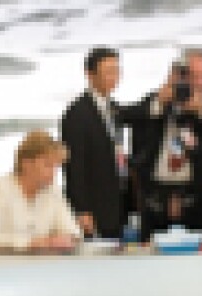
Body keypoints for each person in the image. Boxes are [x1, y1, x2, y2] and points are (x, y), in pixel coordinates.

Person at [132, 49, 202, 238]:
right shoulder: (159, 99)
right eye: (194, 76)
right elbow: (125, 116)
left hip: (196, 197)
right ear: (179, 76)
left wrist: (201, 111)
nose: (200, 83)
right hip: (155, 197)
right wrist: (159, 102)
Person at [60, 47, 147, 240]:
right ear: (90, 74)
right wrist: (81, 209)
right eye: (108, 71)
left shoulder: (112, 107)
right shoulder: (77, 113)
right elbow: (74, 166)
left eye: (117, 71)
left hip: (117, 203)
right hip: (94, 206)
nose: (114, 76)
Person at [0, 130, 81, 251]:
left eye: (56, 166)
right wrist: (32, 242)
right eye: (47, 165)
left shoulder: (53, 191)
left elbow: (72, 232)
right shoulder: (0, 188)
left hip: (34, 265)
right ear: (26, 163)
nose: (53, 173)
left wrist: (67, 238)